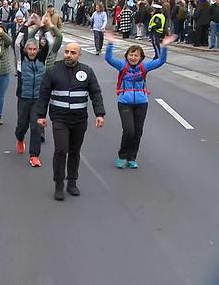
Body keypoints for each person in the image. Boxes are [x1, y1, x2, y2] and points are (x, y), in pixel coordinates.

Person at [36, 43, 105, 201]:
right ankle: (59, 184)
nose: (68, 55)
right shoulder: (53, 70)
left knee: (74, 151)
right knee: (61, 150)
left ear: (79, 55)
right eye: (66, 52)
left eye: (73, 52)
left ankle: (72, 182)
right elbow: (44, 94)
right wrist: (41, 115)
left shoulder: (87, 71)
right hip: (60, 118)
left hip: (80, 119)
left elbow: (95, 93)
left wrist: (99, 114)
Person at [105, 32, 173, 169]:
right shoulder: (121, 66)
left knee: (138, 132)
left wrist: (164, 46)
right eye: (131, 54)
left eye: (136, 55)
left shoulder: (144, 67)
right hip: (124, 102)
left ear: (141, 57)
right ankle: (122, 156)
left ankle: (132, 158)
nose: (133, 57)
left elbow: (161, 61)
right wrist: (110, 43)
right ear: (127, 56)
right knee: (129, 130)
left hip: (142, 103)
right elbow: (108, 58)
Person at [15, 38, 47, 167]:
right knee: (22, 125)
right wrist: (27, 24)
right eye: (30, 49)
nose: (32, 52)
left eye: (34, 49)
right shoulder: (21, 61)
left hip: (38, 99)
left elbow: (50, 40)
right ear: (25, 50)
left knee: (36, 127)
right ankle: (19, 138)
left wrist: (43, 24)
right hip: (24, 97)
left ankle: (34, 156)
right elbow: (17, 43)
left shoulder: (41, 60)